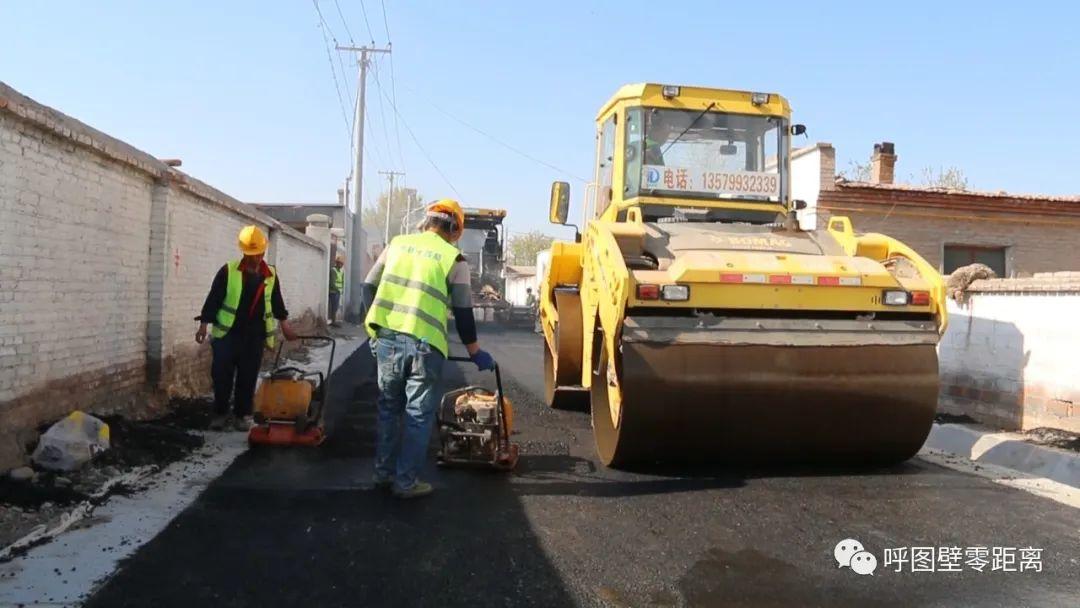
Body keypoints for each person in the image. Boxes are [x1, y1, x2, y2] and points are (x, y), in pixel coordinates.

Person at [363, 199, 495, 499]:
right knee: (417, 414)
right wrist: (475, 352)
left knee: (387, 407)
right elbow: (463, 311)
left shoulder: (397, 244)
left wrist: (374, 329)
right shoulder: (454, 259)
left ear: (427, 221)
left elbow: (367, 286)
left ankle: (382, 474)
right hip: (425, 345)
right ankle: (405, 482)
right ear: (455, 229)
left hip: (388, 339)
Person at [196, 225, 299, 431]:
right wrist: (203, 325)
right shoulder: (228, 271)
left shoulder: (270, 274)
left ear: (263, 250)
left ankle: (242, 414)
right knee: (221, 375)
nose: (255, 258)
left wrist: (285, 325)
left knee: (248, 375)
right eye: (251, 254)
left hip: (254, 335)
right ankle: (220, 412)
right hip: (227, 334)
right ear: (244, 251)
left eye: (258, 254)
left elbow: (277, 302)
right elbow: (214, 298)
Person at [329, 255, 345, 325]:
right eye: (340, 263)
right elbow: (332, 282)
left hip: (338, 292)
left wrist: (342, 290)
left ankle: (334, 321)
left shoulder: (341, 271)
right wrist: (337, 290)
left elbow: (342, 281)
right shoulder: (333, 270)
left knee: (336, 307)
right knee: (334, 306)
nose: (341, 265)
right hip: (333, 292)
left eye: (342, 264)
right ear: (337, 263)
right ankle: (333, 321)